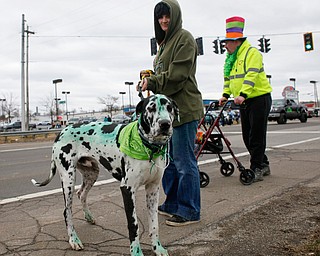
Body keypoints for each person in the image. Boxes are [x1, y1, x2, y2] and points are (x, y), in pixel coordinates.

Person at [139, 0, 203, 226]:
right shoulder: (165, 43)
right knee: (171, 162)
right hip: (167, 114)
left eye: (167, 16)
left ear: (175, 15)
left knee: (185, 162)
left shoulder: (184, 38)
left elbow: (177, 76)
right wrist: (151, 77)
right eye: (160, 17)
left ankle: (189, 210)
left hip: (184, 110)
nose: (164, 20)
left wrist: (154, 82)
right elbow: (164, 73)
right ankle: (173, 203)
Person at [218, 16, 272, 182]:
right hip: (243, 100)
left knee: (256, 136)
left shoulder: (252, 53)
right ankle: (263, 163)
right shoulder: (231, 59)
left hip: (258, 98)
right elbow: (229, 79)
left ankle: (256, 168)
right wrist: (226, 95)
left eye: (227, 42)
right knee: (247, 137)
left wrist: (243, 94)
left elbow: (251, 75)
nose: (225, 46)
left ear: (236, 41)